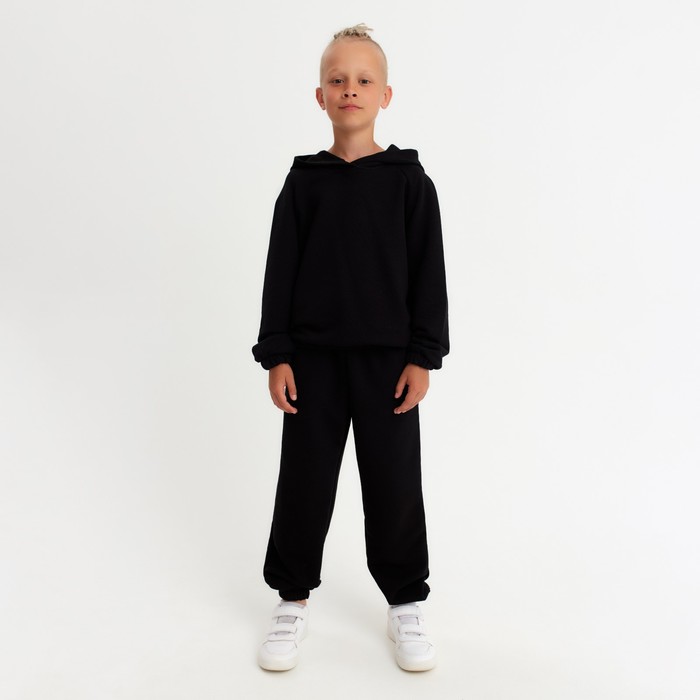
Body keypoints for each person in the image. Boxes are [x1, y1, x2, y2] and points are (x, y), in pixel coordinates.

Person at [251, 23, 449, 672]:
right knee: (304, 482)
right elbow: (280, 271)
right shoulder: (303, 183)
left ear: (385, 95)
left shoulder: (409, 183)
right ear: (320, 96)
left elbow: (428, 274)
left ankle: (405, 602)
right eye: (337, 80)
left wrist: (423, 355)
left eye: (364, 80)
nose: (350, 89)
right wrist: (277, 353)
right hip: (312, 364)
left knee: (394, 484)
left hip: (389, 365)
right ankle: (291, 599)